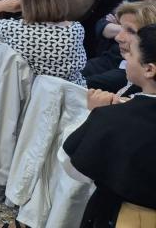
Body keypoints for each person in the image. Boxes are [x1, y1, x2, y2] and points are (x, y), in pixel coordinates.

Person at [62, 24, 156, 227]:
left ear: (149, 69)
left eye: (130, 54)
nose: (125, 58)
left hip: (126, 216)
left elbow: (73, 166)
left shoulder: (114, 118)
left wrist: (92, 113)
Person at [83, 0, 156, 90]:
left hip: (135, 65)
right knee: (73, 73)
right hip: (111, 58)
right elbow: (101, 26)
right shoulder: (131, 0)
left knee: (82, 83)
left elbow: (148, 38)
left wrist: (119, 25)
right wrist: (128, 29)